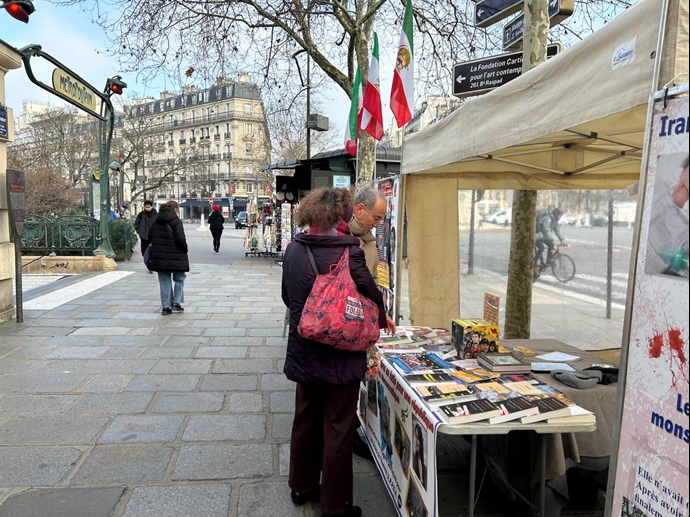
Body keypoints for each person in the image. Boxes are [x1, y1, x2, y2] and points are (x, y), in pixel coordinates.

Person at [282, 188, 393, 517]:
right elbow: (372, 296)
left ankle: (301, 487)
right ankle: (335, 506)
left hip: (305, 351)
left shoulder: (294, 250)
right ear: (342, 215)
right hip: (342, 357)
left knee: (305, 419)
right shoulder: (349, 251)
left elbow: (288, 299)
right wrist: (382, 315)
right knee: (338, 428)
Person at [148, 200, 189, 315]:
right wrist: (185, 249)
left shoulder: (156, 221)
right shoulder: (176, 221)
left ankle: (166, 307)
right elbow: (180, 239)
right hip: (176, 256)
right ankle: (176, 302)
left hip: (160, 257)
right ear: (175, 210)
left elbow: (149, 236)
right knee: (180, 279)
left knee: (164, 281)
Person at [349, 187, 387, 283]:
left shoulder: (370, 243)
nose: (377, 225)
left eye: (380, 219)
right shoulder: (334, 235)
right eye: (376, 218)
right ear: (359, 209)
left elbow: (374, 278)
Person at [535, 207, 566, 273]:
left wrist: (562, 239)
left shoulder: (555, 220)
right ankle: (533, 264)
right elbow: (546, 230)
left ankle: (548, 261)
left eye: (561, 215)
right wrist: (551, 240)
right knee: (541, 248)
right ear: (556, 214)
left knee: (552, 246)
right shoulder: (548, 219)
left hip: (543, 236)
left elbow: (557, 231)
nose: (560, 217)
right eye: (560, 215)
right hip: (537, 235)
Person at [134, 201, 157, 270]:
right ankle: (148, 263)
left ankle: (151, 265)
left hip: (153, 237)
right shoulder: (141, 214)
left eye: (149, 207)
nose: (147, 208)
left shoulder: (156, 215)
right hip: (144, 237)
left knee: (153, 252)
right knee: (144, 252)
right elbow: (136, 224)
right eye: (146, 207)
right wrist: (139, 232)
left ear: (151, 207)